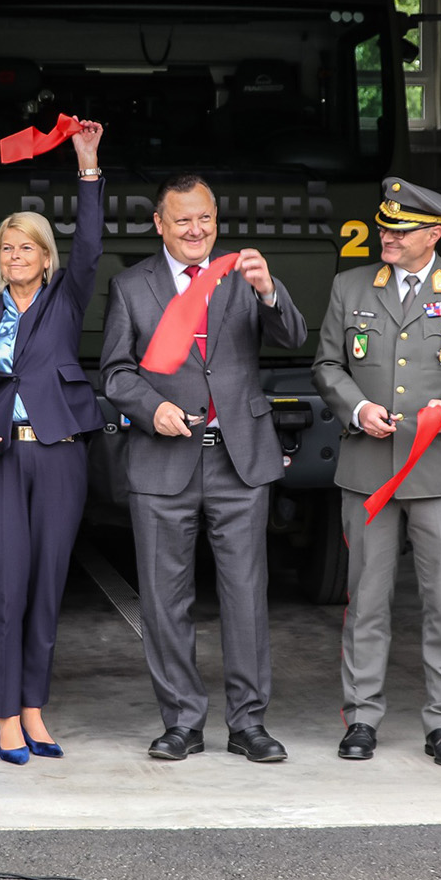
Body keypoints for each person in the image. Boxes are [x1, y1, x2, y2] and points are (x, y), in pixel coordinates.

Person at [100, 174, 306, 763]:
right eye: (183, 220)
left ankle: (248, 724)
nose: (196, 231)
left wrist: (269, 292)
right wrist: (153, 407)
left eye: (206, 220)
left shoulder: (243, 274)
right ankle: (182, 722)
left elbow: (292, 337)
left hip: (238, 457)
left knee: (246, 595)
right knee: (166, 599)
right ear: (159, 225)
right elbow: (115, 373)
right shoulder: (130, 285)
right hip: (164, 460)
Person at [311, 178, 441, 767]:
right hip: (368, 469)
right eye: (385, 226)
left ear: (434, 235)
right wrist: (358, 409)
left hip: (440, 470)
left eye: (400, 230)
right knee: (366, 600)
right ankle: (362, 717)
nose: (386, 237)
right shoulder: (351, 285)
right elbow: (328, 364)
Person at [0, 120, 105, 764]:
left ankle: (35, 706)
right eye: (6, 248)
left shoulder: (66, 302)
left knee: (47, 585)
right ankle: (6, 715)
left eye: (27, 248)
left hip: (60, 453)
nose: (15, 257)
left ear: (46, 257)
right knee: (5, 588)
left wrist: (88, 166)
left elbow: (91, 245)